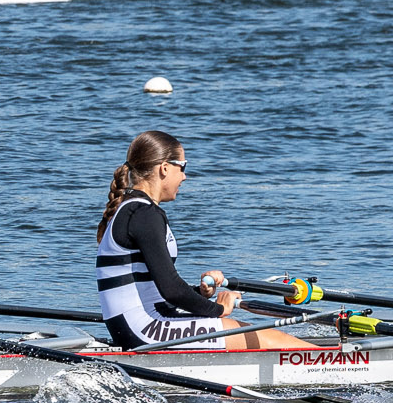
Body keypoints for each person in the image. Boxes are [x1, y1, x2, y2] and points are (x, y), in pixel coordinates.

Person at [94, 130, 307, 351]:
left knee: (255, 334)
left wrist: (199, 292)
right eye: (182, 166)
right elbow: (172, 291)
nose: (185, 176)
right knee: (271, 340)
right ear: (164, 168)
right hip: (146, 330)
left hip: (137, 325)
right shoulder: (145, 214)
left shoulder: (130, 208)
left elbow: (154, 288)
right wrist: (218, 309)